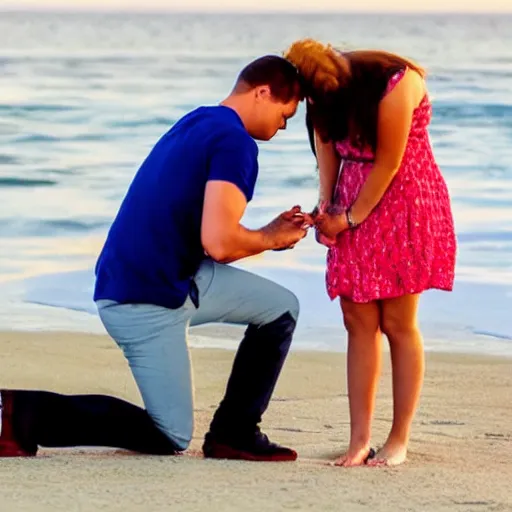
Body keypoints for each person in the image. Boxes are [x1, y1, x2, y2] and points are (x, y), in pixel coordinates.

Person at [0, 55, 312, 461]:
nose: (284, 126)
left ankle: (234, 432)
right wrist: (270, 238)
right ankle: (18, 415)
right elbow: (219, 243)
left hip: (162, 277)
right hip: (144, 298)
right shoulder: (235, 142)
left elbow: (203, 233)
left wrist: (269, 232)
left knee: (280, 308)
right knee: (170, 434)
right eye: (285, 115)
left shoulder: (198, 121)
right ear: (262, 92)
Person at [284, 39, 457, 467]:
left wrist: (351, 219)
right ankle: (359, 440)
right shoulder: (317, 89)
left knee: (398, 322)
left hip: (402, 200)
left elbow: (388, 163)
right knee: (357, 318)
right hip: (351, 201)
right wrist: (326, 205)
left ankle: (398, 439)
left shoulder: (395, 82)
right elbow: (326, 147)